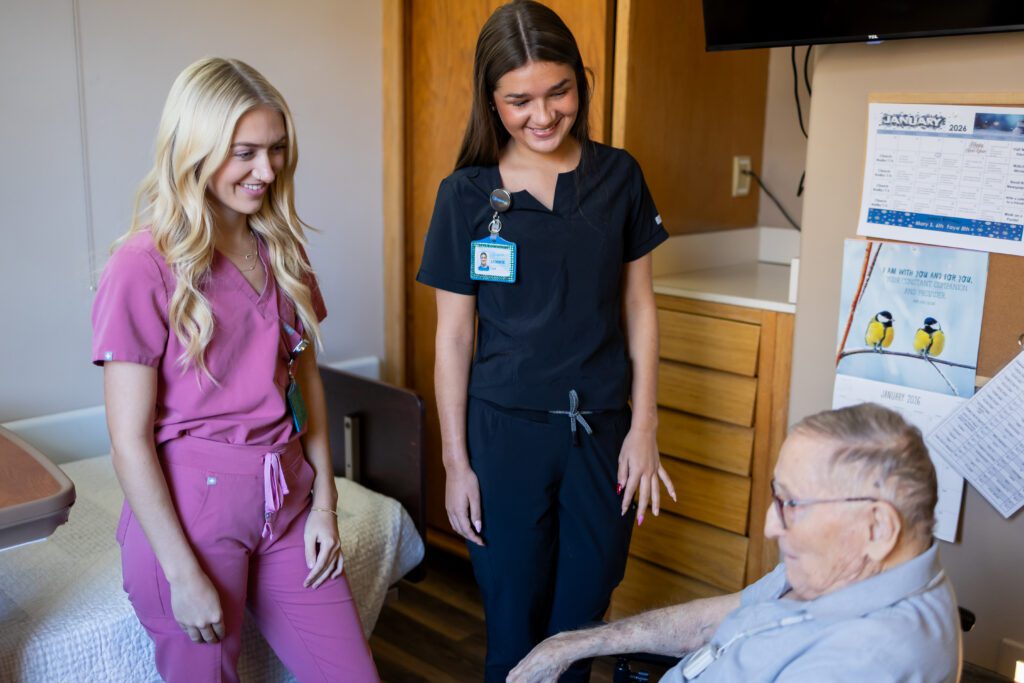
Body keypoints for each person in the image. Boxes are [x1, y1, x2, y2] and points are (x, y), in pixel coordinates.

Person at [91, 57, 379, 682]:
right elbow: (128, 439)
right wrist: (180, 571)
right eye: (244, 152)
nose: (267, 171)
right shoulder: (143, 265)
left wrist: (325, 502)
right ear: (194, 150)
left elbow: (304, 381)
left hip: (287, 499)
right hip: (193, 516)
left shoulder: (282, 249)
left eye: (276, 150)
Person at [416, 1, 676, 680]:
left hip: (603, 435)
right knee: (512, 630)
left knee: (580, 628)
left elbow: (640, 307)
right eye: (518, 100)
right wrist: (456, 461)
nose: (542, 115)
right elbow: (453, 336)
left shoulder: (619, 177)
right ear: (491, 100)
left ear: (581, 83)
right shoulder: (466, 195)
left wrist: (644, 426)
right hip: (503, 437)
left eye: (558, 91)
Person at [508, 403, 963, 683]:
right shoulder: (841, 563)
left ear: (878, 529)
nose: (771, 525)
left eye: (790, 504)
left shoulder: (865, 662)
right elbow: (720, 618)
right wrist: (572, 643)